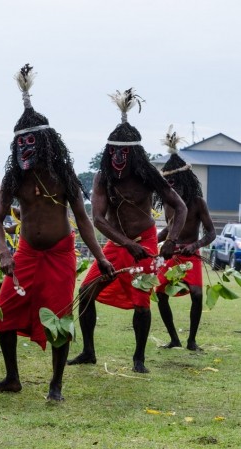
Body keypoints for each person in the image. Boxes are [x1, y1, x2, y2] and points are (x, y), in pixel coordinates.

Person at [0, 64, 114, 400]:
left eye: (31, 141)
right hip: (26, 253)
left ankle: (56, 385)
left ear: (44, 142)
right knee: (5, 310)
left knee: (60, 318)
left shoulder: (63, 174)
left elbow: (84, 220)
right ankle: (12, 377)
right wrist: (4, 252)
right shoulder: (15, 178)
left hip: (59, 253)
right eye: (20, 142)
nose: (25, 148)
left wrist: (100, 257)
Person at [67, 89, 187, 373]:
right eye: (114, 151)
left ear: (134, 153)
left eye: (124, 152)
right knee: (86, 292)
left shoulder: (148, 176)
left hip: (144, 242)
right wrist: (125, 244)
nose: (118, 157)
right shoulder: (102, 177)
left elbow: (180, 207)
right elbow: (98, 219)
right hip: (117, 244)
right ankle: (88, 351)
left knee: (141, 301)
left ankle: (139, 359)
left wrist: (170, 240)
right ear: (108, 152)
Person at [155, 126, 216, 351]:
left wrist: (195, 245)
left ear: (185, 180)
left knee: (197, 295)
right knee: (160, 294)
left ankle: (191, 341)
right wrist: (151, 242)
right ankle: (174, 338)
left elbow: (211, 233)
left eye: (174, 183)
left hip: (191, 254)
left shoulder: (198, 202)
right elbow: (168, 231)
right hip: (172, 253)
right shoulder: (170, 204)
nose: (171, 188)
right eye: (167, 184)